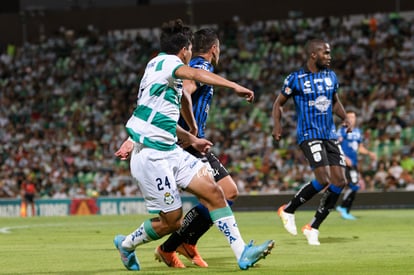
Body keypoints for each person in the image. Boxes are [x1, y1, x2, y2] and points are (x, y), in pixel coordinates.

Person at [113, 19, 274, 271]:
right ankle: (126, 245)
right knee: (172, 223)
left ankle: (243, 252)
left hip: (171, 149)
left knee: (215, 192)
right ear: (185, 50)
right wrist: (235, 86)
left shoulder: (156, 65)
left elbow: (169, 109)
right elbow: (196, 76)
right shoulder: (171, 63)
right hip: (152, 156)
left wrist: (192, 136)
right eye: (189, 49)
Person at [155, 27, 241, 269]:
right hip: (187, 144)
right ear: (214, 48)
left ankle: (181, 243)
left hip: (192, 143)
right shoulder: (202, 68)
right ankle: (173, 244)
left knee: (225, 192)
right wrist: (192, 130)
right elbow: (186, 91)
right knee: (222, 193)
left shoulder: (191, 66)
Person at [272, 38, 351, 245]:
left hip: (330, 135)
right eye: (326, 53)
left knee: (340, 181)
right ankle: (288, 210)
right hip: (309, 134)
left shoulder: (331, 77)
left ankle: (312, 227)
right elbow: (278, 103)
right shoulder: (295, 78)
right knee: (324, 178)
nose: (329, 56)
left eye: (329, 52)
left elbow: (335, 102)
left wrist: (345, 118)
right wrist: (277, 125)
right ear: (313, 55)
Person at [336, 111, 377, 220]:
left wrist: (369, 153)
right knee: (353, 184)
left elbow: (360, 148)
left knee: (354, 185)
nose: (352, 119)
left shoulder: (358, 132)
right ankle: (343, 208)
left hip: (353, 163)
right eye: (349, 117)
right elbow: (336, 146)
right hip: (344, 162)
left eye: (353, 117)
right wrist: (344, 157)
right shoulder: (341, 131)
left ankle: (344, 208)